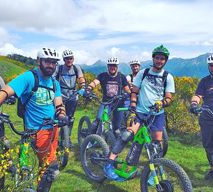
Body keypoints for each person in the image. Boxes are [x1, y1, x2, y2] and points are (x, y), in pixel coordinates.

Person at [0, 47, 67, 192]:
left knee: (49, 169)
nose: (51, 65)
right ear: (39, 61)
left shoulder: (54, 82)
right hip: (36, 131)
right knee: (50, 168)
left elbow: (58, 103)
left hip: (53, 129)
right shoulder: (29, 77)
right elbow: (6, 91)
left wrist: (62, 114)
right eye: (47, 61)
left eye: (54, 62)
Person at [103, 45, 175, 181]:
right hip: (140, 112)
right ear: (153, 58)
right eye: (157, 58)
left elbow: (169, 98)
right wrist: (132, 109)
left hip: (157, 114)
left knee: (156, 144)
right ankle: (109, 164)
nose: (159, 61)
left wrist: (163, 103)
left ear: (165, 61)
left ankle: (153, 174)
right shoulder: (143, 73)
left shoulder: (168, 77)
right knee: (126, 135)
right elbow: (134, 92)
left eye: (162, 59)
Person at [83, 57, 131, 136]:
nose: (112, 67)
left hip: (118, 104)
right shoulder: (103, 76)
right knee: (98, 120)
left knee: (117, 127)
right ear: (108, 66)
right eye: (110, 65)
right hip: (106, 103)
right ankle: (90, 139)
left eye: (114, 66)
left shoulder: (121, 77)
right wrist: (88, 89)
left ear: (117, 67)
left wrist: (129, 94)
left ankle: (114, 144)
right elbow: (95, 82)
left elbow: (127, 89)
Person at [55, 49, 86, 146]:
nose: (69, 60)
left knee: (70, 118)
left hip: (73, 95)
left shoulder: (76, 68)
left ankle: (67, 138)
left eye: (71, 58)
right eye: (67, 59)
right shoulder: (59, 68)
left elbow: (80, 78)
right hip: (61, 96)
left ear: (73, 59)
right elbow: (52, 78)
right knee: (59, 117)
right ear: (64, 60)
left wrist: (83, 87)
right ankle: (55, 139)